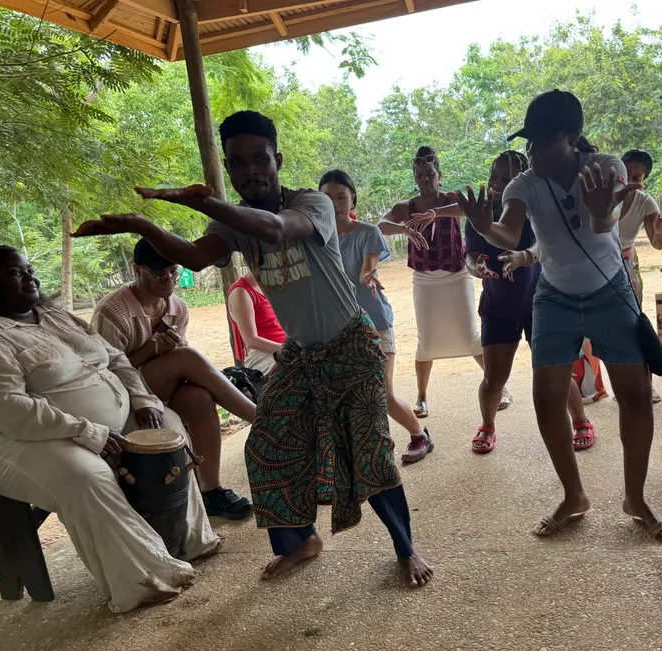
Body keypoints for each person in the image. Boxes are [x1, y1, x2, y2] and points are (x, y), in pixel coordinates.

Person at [74, 110, 433, 587]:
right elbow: (196, 256)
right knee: (267, 444)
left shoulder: (314, 204)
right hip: (302, 356)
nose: (250, 171)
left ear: (277, 158)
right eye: (237, 163)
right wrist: (144, 226)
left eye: (259, 159)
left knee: (367, 452)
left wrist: (208, 204)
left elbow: (277, 230)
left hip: (351, 345)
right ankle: (301, 541)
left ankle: (406, 549)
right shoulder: (236, 225)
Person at [0, 246, 221, 613]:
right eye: (14, 274)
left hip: (86, 426)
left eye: (29, 269)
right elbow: (8, 411)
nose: (30, 277)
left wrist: (143, 401)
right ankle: (143, 580)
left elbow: (117, 358)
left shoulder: (55, 318)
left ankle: (185, 540)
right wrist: (88, 431)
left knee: (169, 428)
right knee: (83, 474)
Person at [455, 90, 662, 543]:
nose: (532, 152)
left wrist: (601, 211)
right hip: (553, 296)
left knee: (634, 396)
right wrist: (482, 226)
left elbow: (602, 226)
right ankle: (573, 495)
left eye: (541, 142)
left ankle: (635, 498)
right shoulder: (526, 184)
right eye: (529, 143)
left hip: (610, 290)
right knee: (546, 400)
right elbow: (508, 232)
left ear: (572, 137)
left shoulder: (607, 168)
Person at [411, 151, 596, 453]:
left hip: (543, 304)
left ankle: (580, 420)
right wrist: (477, 267)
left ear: (521, 181)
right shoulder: (479, 216)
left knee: (557, 372)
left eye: (506, 178)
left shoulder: (536, 209)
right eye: (494, 176)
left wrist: (524, 256)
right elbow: (470, 255)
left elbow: (542, 245)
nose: (497, 183)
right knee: (493, 378)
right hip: (499, 306)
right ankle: (487, 425)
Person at [91, 238, 256, 521]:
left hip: (162, 388)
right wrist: (151, 348)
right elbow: (105, 372)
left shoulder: (178, 307)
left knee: (200, 398)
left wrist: (168, 351)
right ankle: (262, 420)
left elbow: (175, 362)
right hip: (121, 395)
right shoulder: (113, 311)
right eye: (159, 274)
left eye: (173, 272)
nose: (168, 280)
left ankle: (211, 491)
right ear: (137, 270)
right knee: (188, 357)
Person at [378, 146, 509, 424]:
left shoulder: (452, 200)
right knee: (426, 339)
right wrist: (402, 228)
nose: (425, 179)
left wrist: (435, 213)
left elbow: (466, 210)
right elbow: (381, 225)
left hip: (456, 276)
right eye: (420, 175)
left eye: (430, 174)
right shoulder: (407, 207)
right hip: (424, 280)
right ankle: (421, 395)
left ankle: (499, 386)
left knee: (470, 333)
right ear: (415, 178)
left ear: (439, 175)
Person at [318, 169, 434, 464]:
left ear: (352, 200)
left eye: (341, 196)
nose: (334, 203)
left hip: (374, 323)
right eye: (327, 198)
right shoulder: (316, 241)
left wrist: (368, 275)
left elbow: (368, 267)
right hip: (336, 328)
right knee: (345, 396)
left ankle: (420, 435)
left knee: (381, 394)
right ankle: (359, 454)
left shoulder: (367, 232)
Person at [615, 149, 662, 405]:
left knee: (635, 324)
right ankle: (604, 387)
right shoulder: (598, 195)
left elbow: (658, 244)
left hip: (626, 264)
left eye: (636, 176)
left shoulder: (645, 202)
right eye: (625, 173)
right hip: (597, 265)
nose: (630, 180)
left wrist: (659, 230)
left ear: (644, 180)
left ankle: (646, 385)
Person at [227, 270, 286, 374]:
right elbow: (251, 341)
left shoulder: (271, 285)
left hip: (283, 346)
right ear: (246, 260)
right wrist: (288, 351)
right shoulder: (241, 291)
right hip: (260, 354)